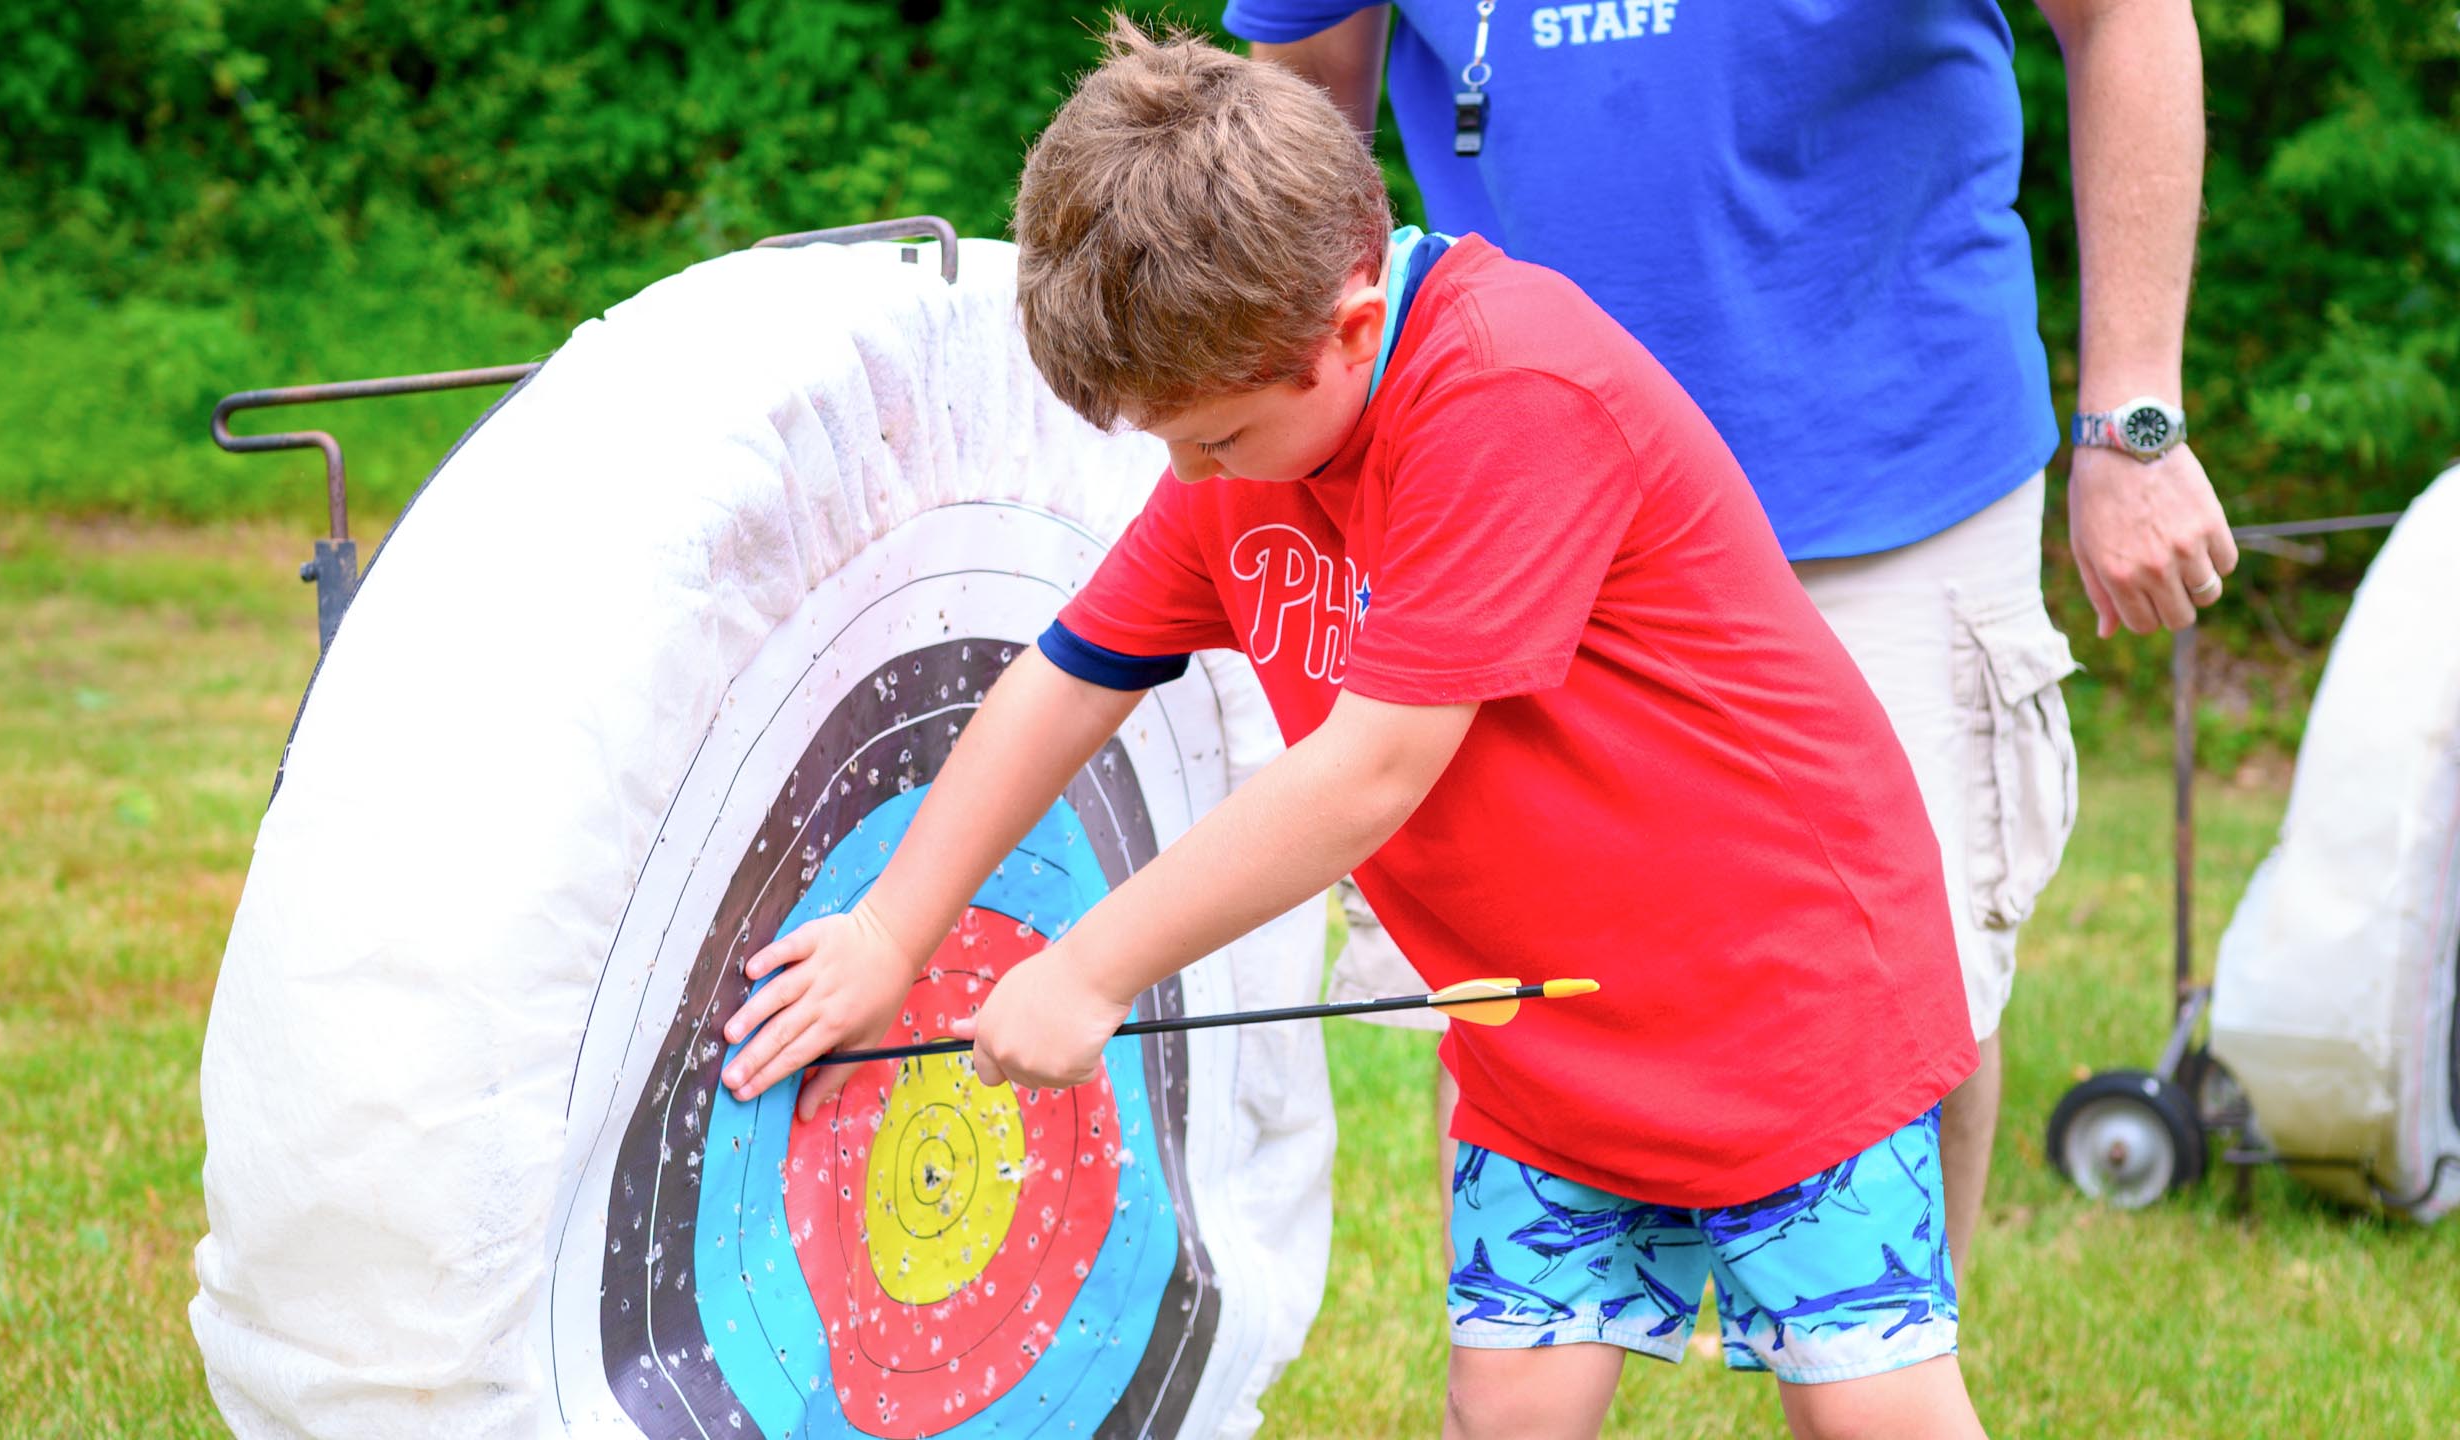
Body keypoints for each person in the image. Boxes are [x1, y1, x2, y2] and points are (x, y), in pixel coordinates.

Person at [722, 21, 1989, 1437]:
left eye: (1213, 441)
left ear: (1347, 318)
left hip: (1785, 1002)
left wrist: (1089, 969)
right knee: (1503, 1411)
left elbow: (1369, 770)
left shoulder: (1510, 390)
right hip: (1547, 1046)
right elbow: (1071, 673)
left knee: (1867, 1409)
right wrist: (894, 933)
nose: (1190, 478)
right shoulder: (1247, 440)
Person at [1235, 0, 2237, 1277]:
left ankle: (1888, 1374)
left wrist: (2132, 413)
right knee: (1522, 1001)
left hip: (1885, 473)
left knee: (1904, 993)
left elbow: (2127, 17)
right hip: (1519, 475)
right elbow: (1299, 99)